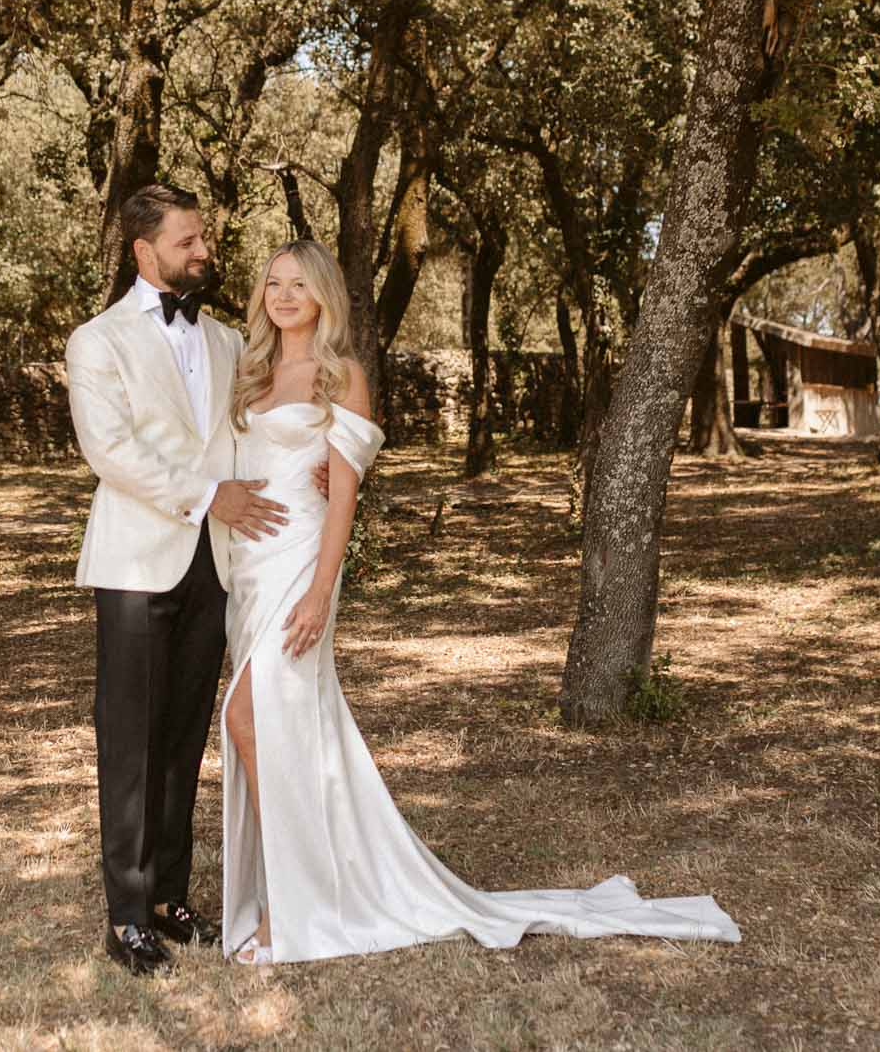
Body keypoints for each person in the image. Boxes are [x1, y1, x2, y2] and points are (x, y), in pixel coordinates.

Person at [219, 239, 743, 964]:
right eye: (272, 282)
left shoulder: (343, 378)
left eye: (298, 284)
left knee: (253, 718)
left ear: (322, 295)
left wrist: (319, 590)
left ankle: (288, 910)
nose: (283, 295)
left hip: (302, 567)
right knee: (273, 729)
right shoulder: (249, 375)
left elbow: (343, 499)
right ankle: (302, 888)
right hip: (249, 570)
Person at [63, 183, 294, 977]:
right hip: (134, 561)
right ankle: (125, 916)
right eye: (188, 241)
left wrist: (312, 473)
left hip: (216, 562)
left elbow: (250, 433)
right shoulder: (96, 341)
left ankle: (167, 893)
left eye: (203, 238)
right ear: (145, 249)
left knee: (185, 732)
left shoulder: (227, 339)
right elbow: (110, 450)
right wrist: (206, 495)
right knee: (131, 737)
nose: (203, 252)